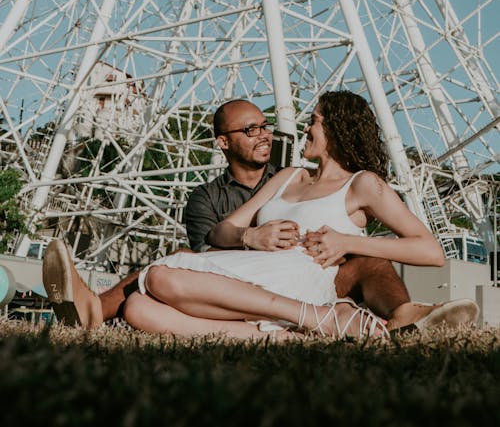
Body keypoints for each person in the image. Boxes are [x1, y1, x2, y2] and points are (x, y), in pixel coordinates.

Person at [43, 96, 479, 334]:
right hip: (250, 268)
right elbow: (224, 229)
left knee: (158, 277)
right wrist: (253, 236)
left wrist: (348, 242)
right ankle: (300, 337)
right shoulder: (288, 175)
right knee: (140, 310)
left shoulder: (362, 184)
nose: (303, 128)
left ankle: (318, 319)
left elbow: (431, 250)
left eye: (314, 121)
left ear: (337, 129)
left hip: (299, 279)